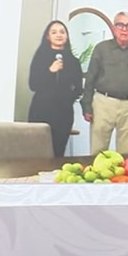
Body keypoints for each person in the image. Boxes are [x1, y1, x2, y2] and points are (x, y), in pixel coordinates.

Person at [80, 11, 128, 155]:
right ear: (114, 28)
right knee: (98, 150)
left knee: (127, 153)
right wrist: (86, 106)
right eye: (120, 25)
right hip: (103, 103)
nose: (124, 29)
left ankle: (123, 179)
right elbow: (90, 79)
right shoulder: (101, 48)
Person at [27, 20, 83, 157]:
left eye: (62, 32)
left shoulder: (73, 61)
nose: (59, 35)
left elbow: (78, 88)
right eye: (54, 32)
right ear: (48, 37)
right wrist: (50, 71)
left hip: (63, 113)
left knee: (58, 151)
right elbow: (33, 84)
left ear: (67, 36)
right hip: (41, 110)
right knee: (37, 151)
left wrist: (67, 97)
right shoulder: (40, 57)